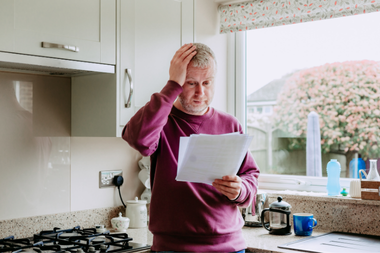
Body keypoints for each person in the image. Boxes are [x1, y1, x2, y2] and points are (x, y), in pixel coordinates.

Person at [122, 43, 260, 252]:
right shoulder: (162, 120)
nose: (200, 92)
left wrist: (240, 190)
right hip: (172, 247)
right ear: (178, 82)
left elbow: (250, 175)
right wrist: (171, 85)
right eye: (191, 83)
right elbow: (139, 140)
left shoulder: (230, 124)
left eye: (207, 82)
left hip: (229, 247)